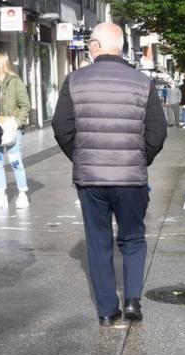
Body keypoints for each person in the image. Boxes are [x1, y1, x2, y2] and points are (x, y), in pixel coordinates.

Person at [52, 22, 167, 326]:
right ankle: (132, 300)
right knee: (132, 238)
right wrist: (141, 159)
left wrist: (81, 157)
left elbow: (61, 127)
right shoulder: (142, 82)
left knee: (98, 243)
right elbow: (158, 131)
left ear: (95, 46)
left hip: (91, 179)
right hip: (131, 178)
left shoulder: (74, 80)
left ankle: (106, 310)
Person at [0, 51, 32, 209]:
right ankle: (1, 194)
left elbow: (25, 104)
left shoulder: (14, 81)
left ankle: (23, 193)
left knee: (15, 161)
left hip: (10, 127)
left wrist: (17, 123)